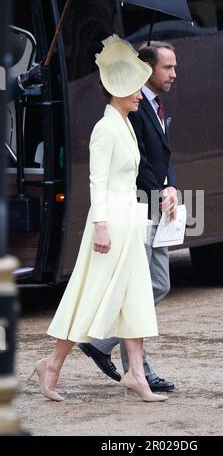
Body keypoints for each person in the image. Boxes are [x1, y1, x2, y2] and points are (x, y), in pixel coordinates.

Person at [29, 35, 168, 403]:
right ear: (121, 91)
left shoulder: (124, 123)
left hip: (130, 220)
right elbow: (97, 182)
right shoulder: (105, 128)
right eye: (136, 88)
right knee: (90, 297)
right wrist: (101, 226)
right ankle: (52, 365)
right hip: (111, 224)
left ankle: (136, 375)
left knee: (136, 297)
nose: (141, 94)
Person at [78, 41, 178, 392]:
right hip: (136, 206)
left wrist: (171, 186)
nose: (173, 74)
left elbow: (163, 154)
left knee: (157, 283)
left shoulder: (154, 105)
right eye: (167, 67)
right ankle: (139, 370)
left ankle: (100, 343)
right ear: (147, 70)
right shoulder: (129, 110)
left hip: (157, 206)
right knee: (135, 288)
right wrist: (159, 188)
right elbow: (136, 167)